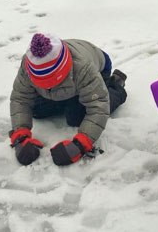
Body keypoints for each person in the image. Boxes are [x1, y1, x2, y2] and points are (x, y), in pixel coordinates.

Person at [9, 33, 127, 166]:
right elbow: (20, 98)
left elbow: (98, 106)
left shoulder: (83, 68)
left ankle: (116, 84)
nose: (47, 86)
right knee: (36, 110)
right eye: (41, 83)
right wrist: (20, 136)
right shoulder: (28, 64)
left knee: (76, 116)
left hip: (98, 66)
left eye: (52, 81)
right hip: (68, 83)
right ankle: (65, 100)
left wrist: (81, 144)